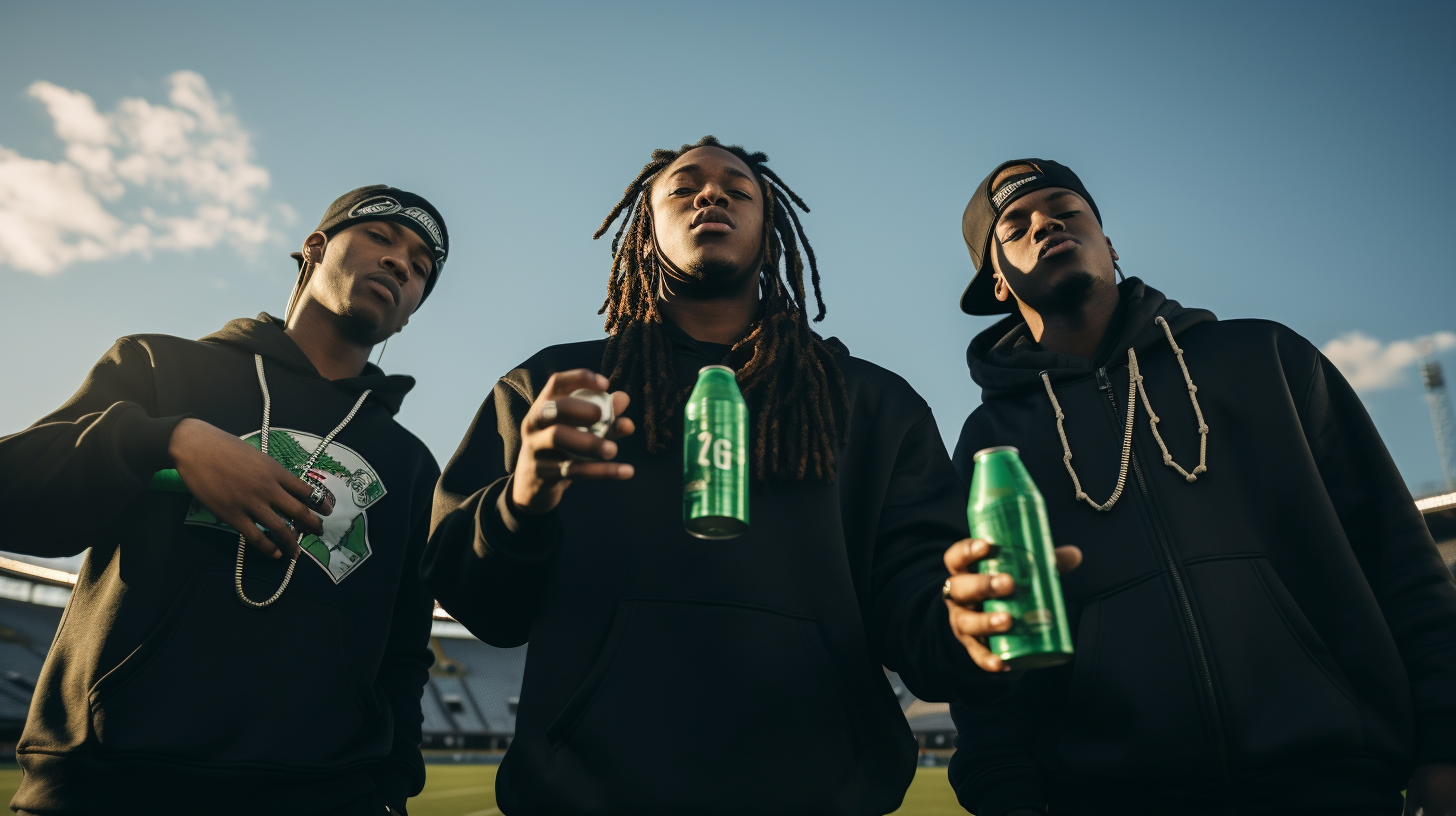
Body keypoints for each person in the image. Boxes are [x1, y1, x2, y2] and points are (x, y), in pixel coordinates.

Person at [425, 137, 1064, 816]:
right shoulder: (555, 390)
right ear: (645, 229)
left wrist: (966, 626)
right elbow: (482, 607)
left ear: (771, 228)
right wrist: (522, 503)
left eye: (738, 187)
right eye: (684, 186)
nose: (712, 193)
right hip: (584, 799)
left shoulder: (877, 405)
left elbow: (919, 619)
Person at [945, 159, 1456, 815]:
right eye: (1016, 224)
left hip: (1335, 785)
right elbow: (996, 676)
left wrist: (1444, 744)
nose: (1047, 220)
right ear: (997, 278)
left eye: (1067, 207)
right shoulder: (992, 446)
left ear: (1110, 242)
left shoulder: (1266, 358)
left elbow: (1400, 561)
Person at [0, 185, 449, 816]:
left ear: (407, 315)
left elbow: (403, 653)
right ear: (314, 250)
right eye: (381, 237)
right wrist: (168, 438)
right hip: (108, 785)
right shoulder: (161, 368)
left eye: (422, 266)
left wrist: (392, 791)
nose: (402, 262)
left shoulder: (411, 465)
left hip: (325, 797)